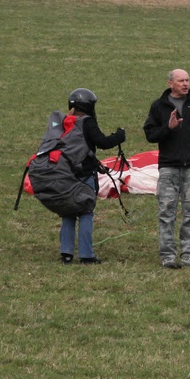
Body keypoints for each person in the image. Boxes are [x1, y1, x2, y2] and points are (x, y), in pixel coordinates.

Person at [144, 69, 190, 269]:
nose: (185, 84)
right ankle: (167, 255)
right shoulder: (158, 106)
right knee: (166, 211)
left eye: (187, 80)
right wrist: (169, 128)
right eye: (181, 81)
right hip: (168, 168)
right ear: (170, 84)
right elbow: (150, 134)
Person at [60, 88, 126, 264]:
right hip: (84, 175)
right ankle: (86, 255)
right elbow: (102, 142)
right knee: (86, 213)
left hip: (65, 174)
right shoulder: (87, 122)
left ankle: (66, 253)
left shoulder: (63, 122)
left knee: (68, 213)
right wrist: (119, 135)